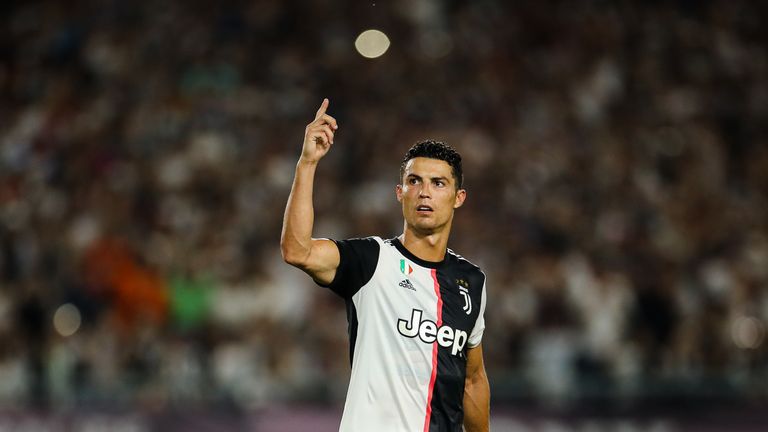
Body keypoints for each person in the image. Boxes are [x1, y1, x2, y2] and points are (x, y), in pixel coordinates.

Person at [281, 99, 490, 432]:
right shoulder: (372, 260)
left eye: (438, 184)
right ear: (399, 192)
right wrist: (307, 163)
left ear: (458, 197)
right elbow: (297, 251)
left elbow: (473, 380)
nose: (424, 193)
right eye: (414, 181)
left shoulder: (471, 281)